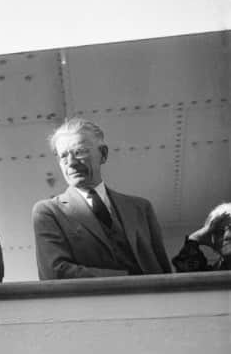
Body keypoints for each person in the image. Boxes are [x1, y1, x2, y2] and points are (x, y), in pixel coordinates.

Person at [32, 117, 171, 280]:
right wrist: (126, 278)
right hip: (90, 304)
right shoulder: (48, 212)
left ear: (103, 154)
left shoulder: (141, 208)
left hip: (150, 303)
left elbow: (163, 270)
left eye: (79, 152)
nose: (71, 163)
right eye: (63, 156)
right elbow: (54, 272)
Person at [171, 202, 231, 272]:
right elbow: (187, 276)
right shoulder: (214, 274)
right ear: (212, 242)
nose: (227, 235)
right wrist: (195, 238)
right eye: (219, 232)